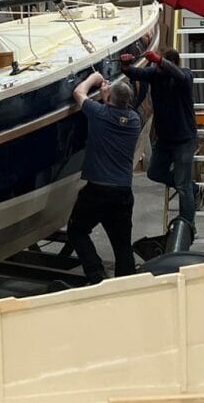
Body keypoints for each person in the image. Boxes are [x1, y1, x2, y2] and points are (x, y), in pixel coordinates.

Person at [121, 49, 204, 228]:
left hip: (185, 139)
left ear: (171, 63)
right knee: (155, 173)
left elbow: (179, 75)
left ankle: (187, 227)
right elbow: (133, 72)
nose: (156, 68)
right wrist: (125, 64)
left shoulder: (185, 76)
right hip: (165, 140)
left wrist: (160, 61)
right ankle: (195, 189)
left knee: (182, 186)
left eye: (159, 65)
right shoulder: (155, 74)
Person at [67, 72, 140, 284]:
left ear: (108, 100)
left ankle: (96, 275)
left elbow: (78, 92)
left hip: (97, 192)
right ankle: (126, 286)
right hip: (122, 193)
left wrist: (95, 78)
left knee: (77, 231)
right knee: (122, 244)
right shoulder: (135, 120)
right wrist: (109, 95)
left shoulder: (99, 113)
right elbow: (120, 108)